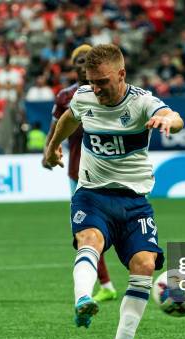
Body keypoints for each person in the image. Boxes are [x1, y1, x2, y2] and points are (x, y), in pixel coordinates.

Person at [44, 44, 184, 339]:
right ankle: (83, 300)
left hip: (135, 203)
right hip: (92, 195)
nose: (97, 88)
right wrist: (52, 148)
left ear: (121, 74)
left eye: (103, 81)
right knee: (89, 240)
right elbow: (68, 118)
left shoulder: (141, 101)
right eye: (92, 81)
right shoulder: (84, 96)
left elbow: (174, 118)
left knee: (145, 265)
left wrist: (167, 121)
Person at [42, 44, 117, 303]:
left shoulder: (108, 92)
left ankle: (132, 275)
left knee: (114, 226)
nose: (83, 65)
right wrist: (48, 152)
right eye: (80, 61)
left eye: (88, 61)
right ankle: (105, 284)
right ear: (75, 65)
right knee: (86, 232)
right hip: (78, 172)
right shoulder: (66, 97)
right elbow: (55, 129)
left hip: (111, 171)